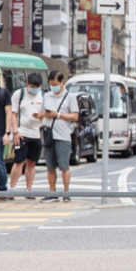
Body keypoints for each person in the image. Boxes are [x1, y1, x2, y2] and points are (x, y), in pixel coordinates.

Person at [41, 71, 79, 199]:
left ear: (62, 82)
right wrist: (41, 114)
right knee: (50, 166)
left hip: (63, 136)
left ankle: (66, 192)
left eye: (56, 84)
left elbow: (74, 116)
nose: (53, 86)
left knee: (64, 165)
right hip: (48, 135)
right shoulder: (47, 96)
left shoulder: (70, 97)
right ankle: (52, 192)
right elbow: (41, 112)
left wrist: (58, 115)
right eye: (51, 84)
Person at [9, 72, 47, 194]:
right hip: (22, 132)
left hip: (36, 133)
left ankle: (28, 189)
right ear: (27, 84)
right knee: (19, 161)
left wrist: (41, 115)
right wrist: (15, 132)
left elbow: (46, 113)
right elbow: (13, 114)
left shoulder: (42, 95)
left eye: (37, 87)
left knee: (32, 163)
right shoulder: (19, 95)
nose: (34, 90)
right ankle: (12, 188)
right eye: (32, 87)